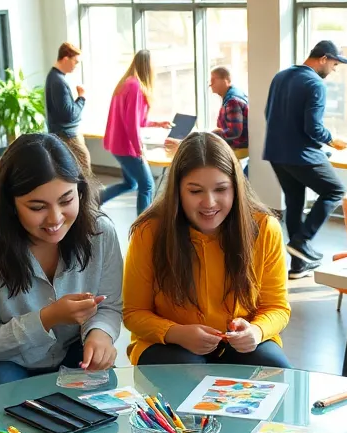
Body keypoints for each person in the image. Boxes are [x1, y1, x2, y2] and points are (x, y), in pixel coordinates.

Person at [0, 132, 124, 394]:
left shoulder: (100, 231)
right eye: (37, 207)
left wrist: (100, 333)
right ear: (11, 204)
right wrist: (48, 318)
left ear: (81, 191)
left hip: (67, 350)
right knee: (16, 394)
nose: (55, 219)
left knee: (103, 387)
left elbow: (109, 306)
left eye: (66, 200)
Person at [123, 132, 292, 368]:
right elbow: (134, 313)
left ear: (236, 188)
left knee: (278, 372)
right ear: (177, 191)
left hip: (242, 344)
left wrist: (256, 330)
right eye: (195, 191)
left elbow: (277, 308)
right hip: (168, 343)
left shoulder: (264, 228)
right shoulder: (149, 231)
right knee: (189, 374)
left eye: (221, 189)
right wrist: (177, 333)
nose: (209, 203)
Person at [263, 40, 347, 279]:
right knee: (335, 190)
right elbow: (313, 127)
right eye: (334, 63)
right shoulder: (315, 83)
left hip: (275, 153)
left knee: (294, 202)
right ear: (323, 58)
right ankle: (302, 242)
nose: (334, 69)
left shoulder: (280, 77)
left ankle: (297, 266)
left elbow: (267, 114)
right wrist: (333, 140)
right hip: (300, 154)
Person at [102, 50, 172, 215]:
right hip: (126, 147)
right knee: (147, 185)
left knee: (130, 184)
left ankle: (93, 200)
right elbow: (131, 123)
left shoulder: (127, 83)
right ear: (148, 67)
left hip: (117, 144)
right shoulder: (135, 86)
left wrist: (157, 123)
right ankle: (143, 226)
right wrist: (138, 149)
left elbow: (136, 120)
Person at [45, 42, 92, 177]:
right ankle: (84, 198)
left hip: (64, 133)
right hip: (68, 135)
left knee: (74, 172)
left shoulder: (54, 78)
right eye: (75, 62)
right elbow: (69, 114)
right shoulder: (58, 81)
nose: (76, 66)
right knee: (84, 173)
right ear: (66, 59)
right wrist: (82, 98)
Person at [210, 66, 249, 151]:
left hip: (238, 147)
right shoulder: (232, 96)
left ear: (226, 80)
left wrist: (211, 136)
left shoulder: (232, 101)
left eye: (213, 80)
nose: (210, 84)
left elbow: (234, 131)